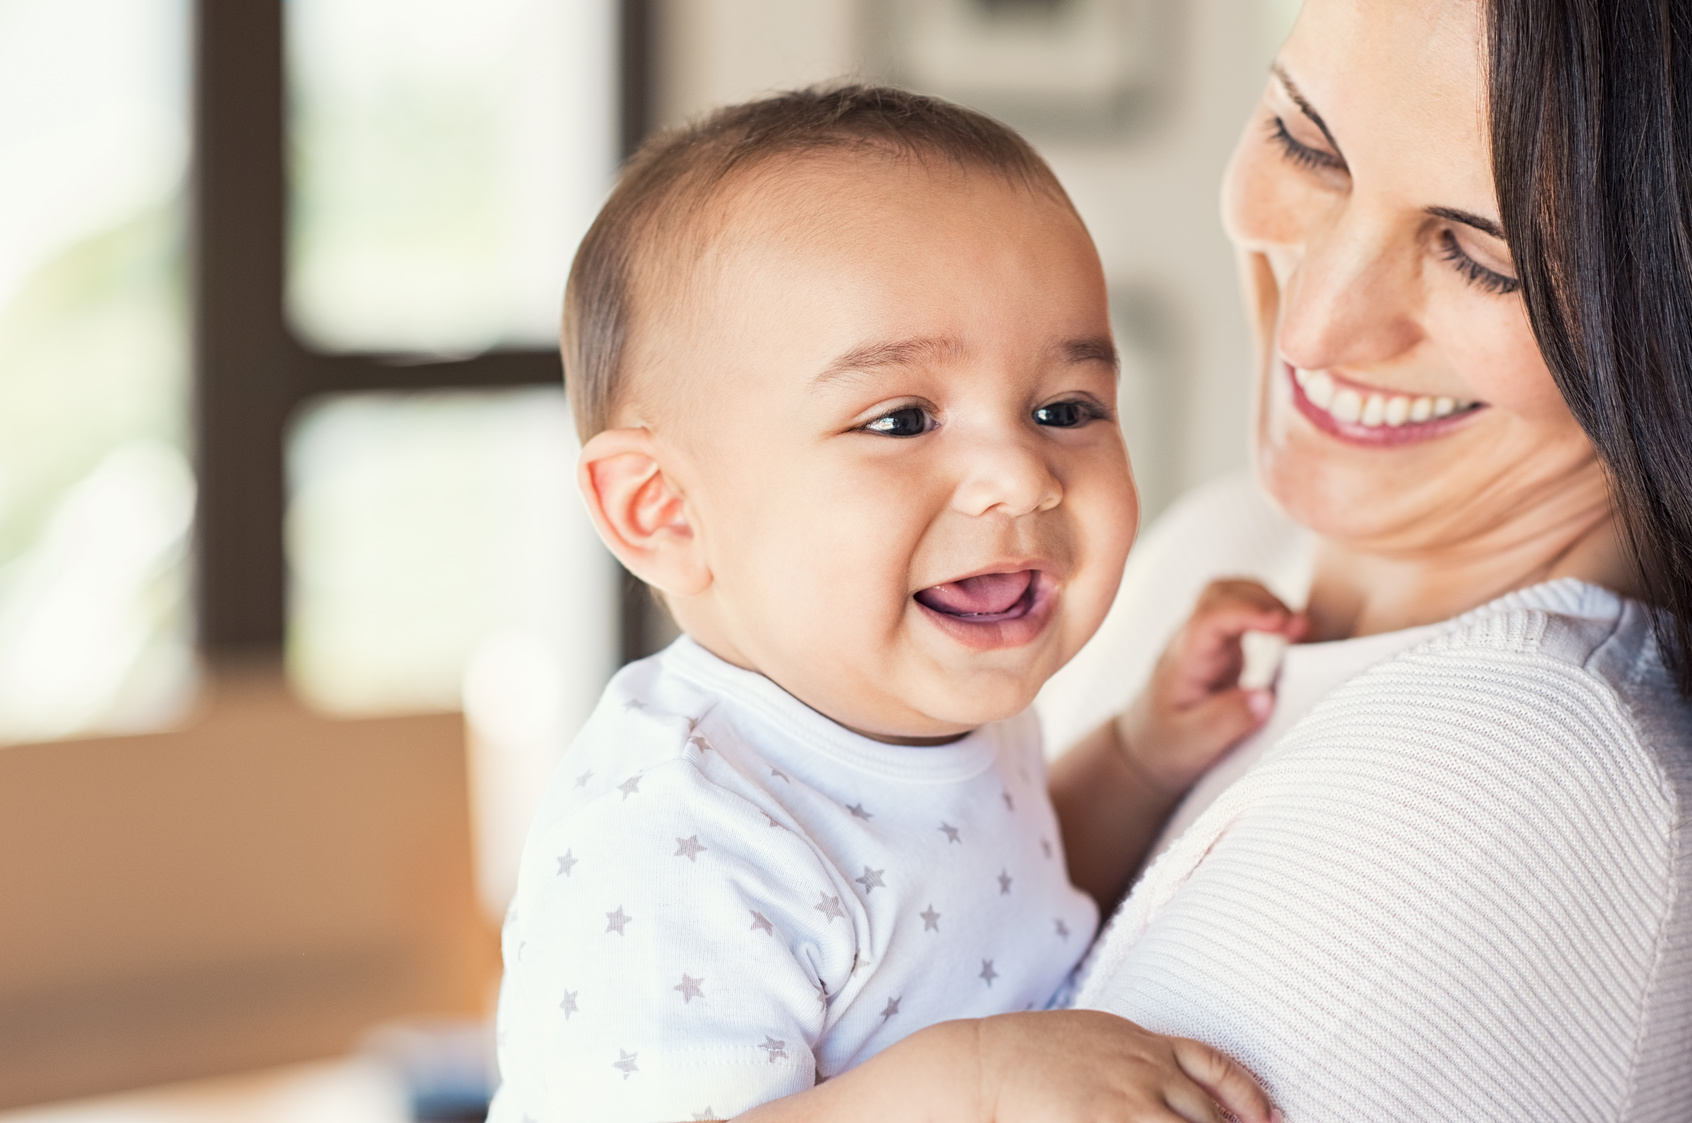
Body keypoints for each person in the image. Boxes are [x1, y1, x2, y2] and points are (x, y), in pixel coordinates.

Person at [486, 87, 1293, 1123]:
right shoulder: (676, 835)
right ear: (667, 511)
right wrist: (980, 1086)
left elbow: (996, 900)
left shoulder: (943, 712)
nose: (1022, 475)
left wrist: (1141, 757)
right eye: (902, 418)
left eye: (1065, 408)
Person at [1030, 0, 1692, 1118]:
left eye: (1484, 258)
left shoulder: (1515, 777)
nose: (1315, 331)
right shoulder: (1228, 543)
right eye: (1306, 141)